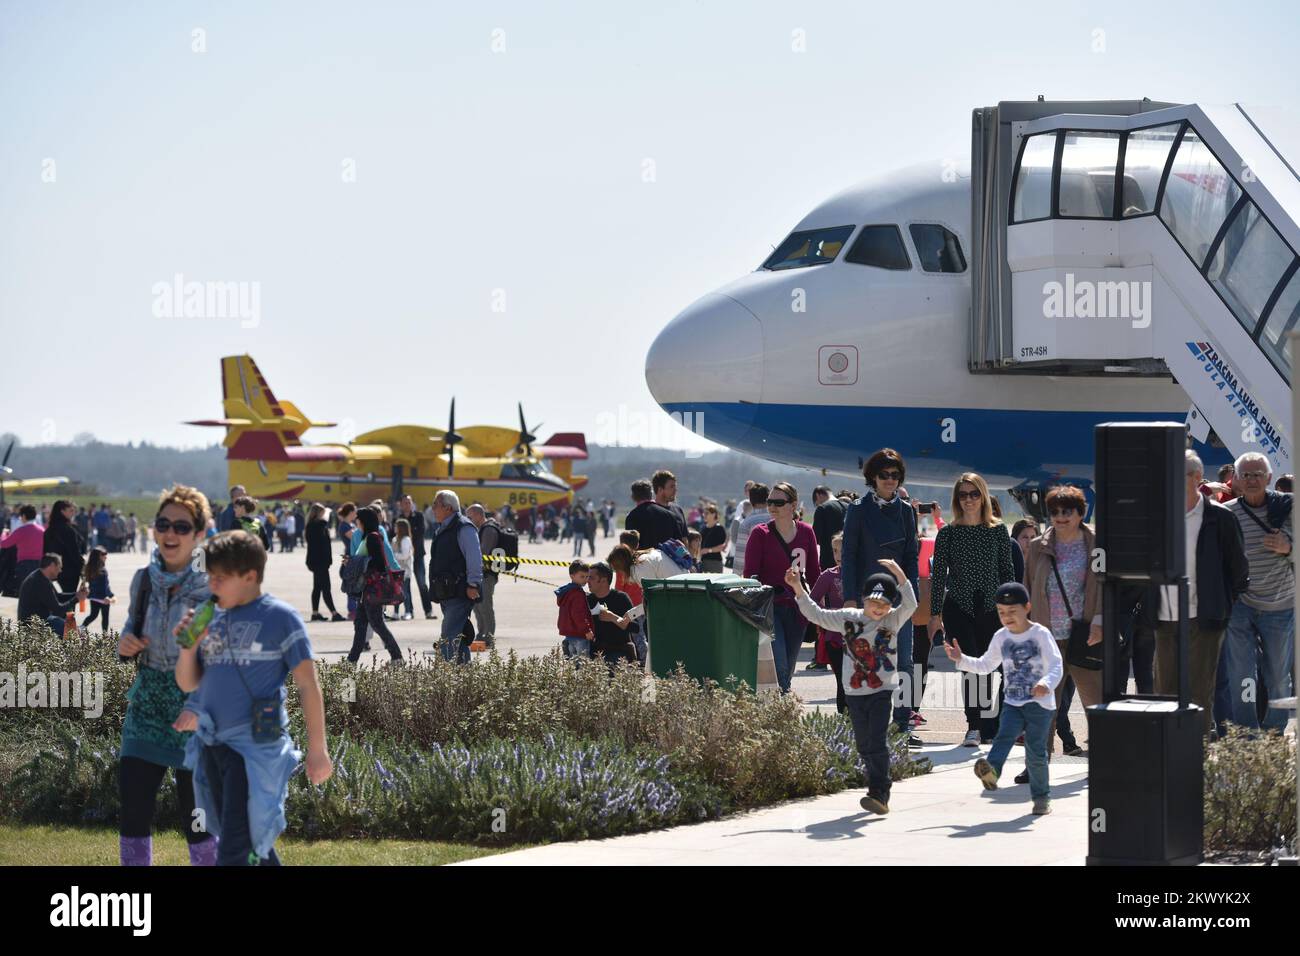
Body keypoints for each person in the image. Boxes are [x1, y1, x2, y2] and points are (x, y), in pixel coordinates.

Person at [173, 530, 331, 865]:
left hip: (253, 750)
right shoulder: (211, 617)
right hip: (213, 746)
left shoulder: (280, 617)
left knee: (233, 847)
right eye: (210, 577)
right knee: (249, 843)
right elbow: (189, 684)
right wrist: (189, 647)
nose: (212, 585)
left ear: (250, 576)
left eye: (221, 578)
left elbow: (307, 684)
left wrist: (318, 751)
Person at [115, 485, 217, 866]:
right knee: (134, 812)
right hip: (147, 705)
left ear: (200, 533)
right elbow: (131, 626)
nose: (171, 534)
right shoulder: (144, 579)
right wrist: (126, 644)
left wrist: (198, 705)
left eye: (181, 526)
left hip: (197, 709)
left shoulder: (214, 588)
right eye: (163, 524)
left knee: (199, 821)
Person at [791, 559, 915, 814]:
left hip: (881, 691)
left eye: (884, 604)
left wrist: (900, 575)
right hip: (855, 692)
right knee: (862, 744)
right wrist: (798, 589)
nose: (878, 608)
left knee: (877, 741)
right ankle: (876, 782)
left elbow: (911, 604)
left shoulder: (892, 621)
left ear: (890, 605)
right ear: (862, 599)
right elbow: (818, 615)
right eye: (873, 602)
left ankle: (879, 791)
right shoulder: (849, 619)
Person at [945, 582, 1063, 816]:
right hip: (1013, 703)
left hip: (1040, 705)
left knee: (1036, 753)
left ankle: (1041, 798)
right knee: (1003, 737)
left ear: (1027, 607)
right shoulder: (1001, 637)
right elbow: (986, 664)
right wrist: (962, 659)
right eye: (1001, 612)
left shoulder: (1040, 634)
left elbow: (1057, 664)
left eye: (1012, 611)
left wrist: (1046, 684)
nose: (1007, 617)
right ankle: (992, 773)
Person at [1154, 451, 1249, 736]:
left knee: (1199, 693)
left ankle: (1196, 756)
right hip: (1165, 615)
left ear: (1197, 478)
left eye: (1180, 473)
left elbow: (1237, 570)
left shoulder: (1220, 518)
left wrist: (1220, 604)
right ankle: (1168, 755)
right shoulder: (1158, 516)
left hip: (1204, 617)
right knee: (1165, 692)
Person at [929, 472, 1015, 747]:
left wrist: (1013, 611)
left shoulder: (998, 530)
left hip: (992, 609)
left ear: (983, 496)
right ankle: (974, 726)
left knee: (990, 668)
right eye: (963, 495)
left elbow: (1007, 571)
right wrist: (935, 615)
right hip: (959, 607)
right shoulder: (948, 533)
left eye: (974, 494)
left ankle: (990, 725)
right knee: (968, 668)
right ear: (957, 499)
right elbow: (939, 576)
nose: (969, 500)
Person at [841, 449, 921, 740]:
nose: (890, 480)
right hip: (867, 598)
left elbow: (912, 555)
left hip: (899, 598)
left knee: (904, 661)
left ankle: (903, 725)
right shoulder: (858, 509)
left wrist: (910, 590)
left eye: (895, 475)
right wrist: (849, 596)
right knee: (867, 661)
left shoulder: (906, 510)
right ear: (872, 478)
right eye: (884, 475)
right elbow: (848, 556)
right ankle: (866, 724)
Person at [1023, 485, 1102, 762]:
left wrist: (1099, 622)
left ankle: (1105, 760)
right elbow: (1029, 587)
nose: (1060, 516)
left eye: (1066, 511)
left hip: (1085, 636)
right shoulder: (1037, 547)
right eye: (1054, 511)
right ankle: (1037, 761)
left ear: (1081, 513)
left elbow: (1106, 587)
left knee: (1097, 704)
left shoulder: (1096, 544)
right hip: (1047, 638)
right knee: (1043, 706)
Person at [1222, 452, 1293, 731]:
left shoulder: (1289, 507)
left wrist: (1289, 548)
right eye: (1246, 475)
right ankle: (1246, 734)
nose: (1252, 480)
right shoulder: (1226, 513)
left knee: (1277, 676)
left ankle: (1274, 734)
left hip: (1281, 605)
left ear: (1269, 478)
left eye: (1257, 474)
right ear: (1236, 479)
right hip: (1241, 604)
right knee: (1241, 674)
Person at [743, 481, 822, 694]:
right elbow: (750, 575)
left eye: (779, 502)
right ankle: (782, 703)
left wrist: (819, 611)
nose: (772, 507)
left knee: (789, 662)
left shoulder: (807, 532)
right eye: (770, 502)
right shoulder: (759, 534)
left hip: (798, 608)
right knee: (780, 664)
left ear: (793, 505)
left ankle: (781, 702)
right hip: (770, 608)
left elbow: (814, 573)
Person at [427, 490, 484, 664]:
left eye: (436, 504)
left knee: (448, 637)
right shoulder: (444, 528)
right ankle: (464, 678)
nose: (433, 508)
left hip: (460, 592)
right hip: (446, 592)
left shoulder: (463, 527)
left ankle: (446, 677)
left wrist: (473, 584)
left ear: (448, 508)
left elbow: (475, 558)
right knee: (457, 639)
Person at [344, 506, 404, 665]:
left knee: (376, 623)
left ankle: (397, 657)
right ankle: (351, 661)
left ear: (363, 521)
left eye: (358, 519)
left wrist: (356, 562)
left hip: (372, 589)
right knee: (360, 624)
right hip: (367, 590)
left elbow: (378, 563)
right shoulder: (367, 537)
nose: (356, 521)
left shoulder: (372, 538)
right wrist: (352, 561)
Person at [808, 532, 848, 711]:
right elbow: (812, 600)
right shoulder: (828, 576)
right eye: (835, 551)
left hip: (861, 639)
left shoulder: (865, 573)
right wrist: (826, 615)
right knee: (842, 682)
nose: (838, 556)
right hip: (835, 639)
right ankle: (844, 725)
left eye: (843, 550)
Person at [587, 561, 639, 671]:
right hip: (594, 650)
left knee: (611, 664)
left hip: (617, 651)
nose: (587, 581)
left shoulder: (621, 598)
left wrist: (612, 617)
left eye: (591, 578)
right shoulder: (588, 600)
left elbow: (636, 627)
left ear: (604, 580)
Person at [17, 553, 88, 634]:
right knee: (74, 631)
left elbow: (57, 596)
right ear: (52, 565)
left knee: (71, 623)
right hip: (33, 624)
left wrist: (77, 594)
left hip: (42, 619)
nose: (60, 570)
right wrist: (77, 599)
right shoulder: (39, 582)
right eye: (59, 567)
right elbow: (58, 610)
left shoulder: (40, 576)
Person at [466, 504, 500, 649]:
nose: (469, 519)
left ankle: (489, 636)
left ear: (479, 515)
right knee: (477, 605)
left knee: (485, 606)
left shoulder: (489, 530)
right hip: (479, 575)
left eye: (470, 516)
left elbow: (484, 553)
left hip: (487, 575)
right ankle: (481, 633)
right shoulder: (480, 529)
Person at [305, 503, 344, 622]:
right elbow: (323, 527)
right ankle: (334, 612)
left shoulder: (312, 525)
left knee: (317, 587)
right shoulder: (317, 525)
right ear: (318, 513)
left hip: (316, 560)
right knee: (326, 587)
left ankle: (315, 613)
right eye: (322, 512)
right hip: (319, 561)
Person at [624, 478, 686, 550]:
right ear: (651, 494)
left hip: (642, 559)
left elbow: (629, 547)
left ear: (633, 497)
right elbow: (679, 544)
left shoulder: (632, 517)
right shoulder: (670, 515)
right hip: (667, 559)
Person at [399, 496, 434, 619]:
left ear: (412, 503)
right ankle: (409, 611)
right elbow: (396, 535)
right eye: (405, 503)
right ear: (401, 505)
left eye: (409, 502)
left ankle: (428, 611)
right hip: (404, 558)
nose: (407, 505)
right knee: (405, 585)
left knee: (422, 584)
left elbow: (420, 533)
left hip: (417, 555)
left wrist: (408, 544)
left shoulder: (419, 516)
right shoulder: (398, 519)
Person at [1, 504, 46, 595]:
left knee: (25, 593)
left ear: (24, 516)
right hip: (40, 564)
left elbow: (4, 544)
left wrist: (3, 534)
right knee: (36, 592)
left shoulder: (21, 530)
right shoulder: (42, 530)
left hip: (24, 564)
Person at [44, 499, 85, 593]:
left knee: (56, 601)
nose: (73, 513)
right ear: (62, 511)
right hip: (69, 570)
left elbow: (45, 552)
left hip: (52, 569)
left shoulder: (49, 530)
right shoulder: (68, 530)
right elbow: (74, 552)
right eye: (70, 510)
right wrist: (82, 566)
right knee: (69, 599)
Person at [556, 558, 594, 659]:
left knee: (572, 664)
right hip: (579, 635)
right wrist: (587, 630)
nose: (585, 580)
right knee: (583, 663)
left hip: (569, 635)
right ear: (572, 576)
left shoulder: (567, 591)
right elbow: (578, 614)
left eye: (587, 577)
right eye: (582, 576)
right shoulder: (577, 594)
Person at [735, 483, 771, 571]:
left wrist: (736, 577)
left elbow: (740, 556)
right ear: (768, 498)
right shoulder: (778, 519)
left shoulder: (746, 523)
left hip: (756, 574)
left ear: (750, 500)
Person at [811, 485, 847, 572]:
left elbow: (815, 538)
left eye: (816, 503)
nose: (817, 505)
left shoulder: (822, 508)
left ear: (818, 495)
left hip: (829, 563)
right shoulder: (849, 506)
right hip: (848, 561)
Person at [80, 545, 114, 633]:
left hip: (94, 597)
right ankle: (105, 635)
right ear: (98, 557)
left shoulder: (90, 568)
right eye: (103, 555)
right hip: (103, 598)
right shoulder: (102, 571)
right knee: (105, 617)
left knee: (93, 615)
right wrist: (108, 596)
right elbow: (104, 586)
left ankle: (82, 627)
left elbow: (87, 582)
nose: (106, 557)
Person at [393, 517, 416, 620]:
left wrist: (393, 555)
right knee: (396, 592)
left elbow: (405, 555)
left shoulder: (406, 540)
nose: (394, 528)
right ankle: (396, 613)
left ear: (401, 528)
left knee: (405, 592)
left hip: (405, 571)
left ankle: (408, 612)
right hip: (396, 570)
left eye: (396, 526)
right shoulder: (395, 539)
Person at [698, 503, 728, 573]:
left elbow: (722, 547)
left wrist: (708, 550)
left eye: (706, 513)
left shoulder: (719, 528)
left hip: (715, 563)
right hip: (703, 562)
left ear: (714, 514)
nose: (704, 515)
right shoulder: (703, 528)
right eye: (703, 513)